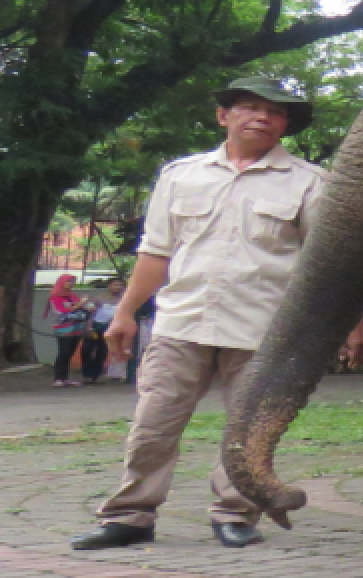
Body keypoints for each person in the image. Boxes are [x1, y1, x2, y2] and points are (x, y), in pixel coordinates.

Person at [71, 77, 322, 551]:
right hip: (181, 322)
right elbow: (155, 252)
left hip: (262, 327)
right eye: (249, 107)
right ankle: (130, 516)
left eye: (274, 112)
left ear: (285, 125)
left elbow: (322, 261)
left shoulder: (310, 183)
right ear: (223, 116)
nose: (262, 118)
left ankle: (235, 514)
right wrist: (125, 312)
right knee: (153, 423)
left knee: (247, 430)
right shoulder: (180, 175)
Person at [45, 274, 93, 387]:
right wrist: (80, 304)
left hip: (77, 328)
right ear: (61, 282)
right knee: (64, 352)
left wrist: (87, 306)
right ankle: (58, 378)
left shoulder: (72, 296)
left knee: (70, 353)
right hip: (63, 328)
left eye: (73, 281)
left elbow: (79, 308)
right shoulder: (55, 296)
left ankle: (64, 378)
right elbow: (61, 312)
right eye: (68, 281)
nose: (71, 284)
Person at [82, 278, 126, 384]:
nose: (118, 287)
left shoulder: (124, 300)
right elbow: (89, 311)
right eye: (115, 285)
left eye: (120, 285)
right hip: (96, 327)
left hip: (111, 330)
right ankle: (87, 374)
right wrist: (89, 327)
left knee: (102, 352)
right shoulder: (99, 298)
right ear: (109, 286)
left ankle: (95, 375)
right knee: (88, 350)